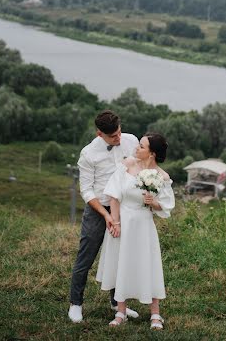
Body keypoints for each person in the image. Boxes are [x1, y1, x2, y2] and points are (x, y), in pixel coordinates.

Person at [96, 132, 175, 330]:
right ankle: (121, 312)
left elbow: (166, 206)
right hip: (123, 222)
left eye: (141, 146)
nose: (136, 149)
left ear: (152, 154)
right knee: (121, 264)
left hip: (143, 226)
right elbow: (114, 195)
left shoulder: (161, 176)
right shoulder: (127, 165)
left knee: (148, 265)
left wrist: (154, 203)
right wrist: (115, 223)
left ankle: (155, 314)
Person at [68, 110, 140, 323]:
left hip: (125, 208)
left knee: (120, 257)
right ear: (100, 134)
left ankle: (117, 305)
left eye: (118, 133)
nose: (118, 139)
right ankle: (76, 304)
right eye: (112, 136)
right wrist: (106, 215)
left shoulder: (130, 140)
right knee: (86, 256)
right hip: (98, 209)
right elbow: (87, 191)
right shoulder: (88, 153)